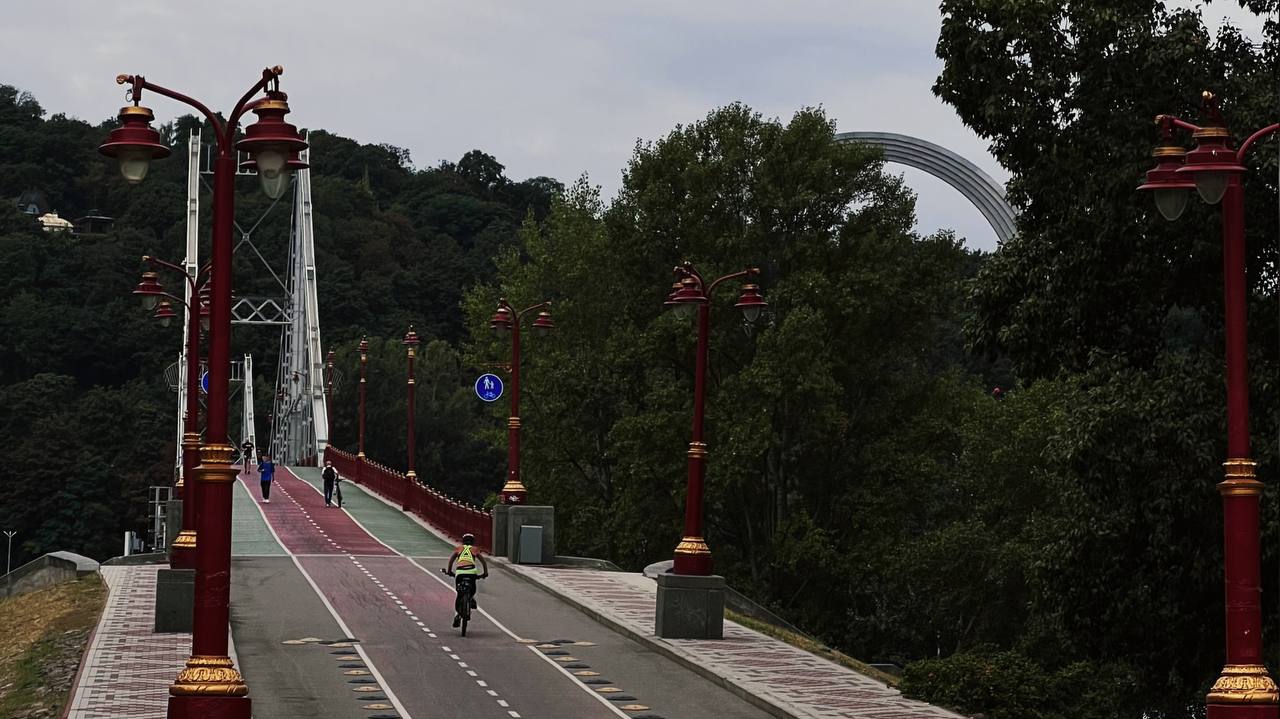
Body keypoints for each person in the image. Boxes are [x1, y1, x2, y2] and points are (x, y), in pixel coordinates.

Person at [445, 533, 489, 627]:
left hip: (460, 572)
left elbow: (451, 560)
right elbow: (483, 562)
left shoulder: (459, 548)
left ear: (463, 541)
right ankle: (471, 599)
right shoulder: (474, 549)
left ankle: (458, 614)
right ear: (473, 542)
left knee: (459, 593)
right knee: (473, 590)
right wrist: (485, 573)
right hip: (471, 571)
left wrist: (449, 571)